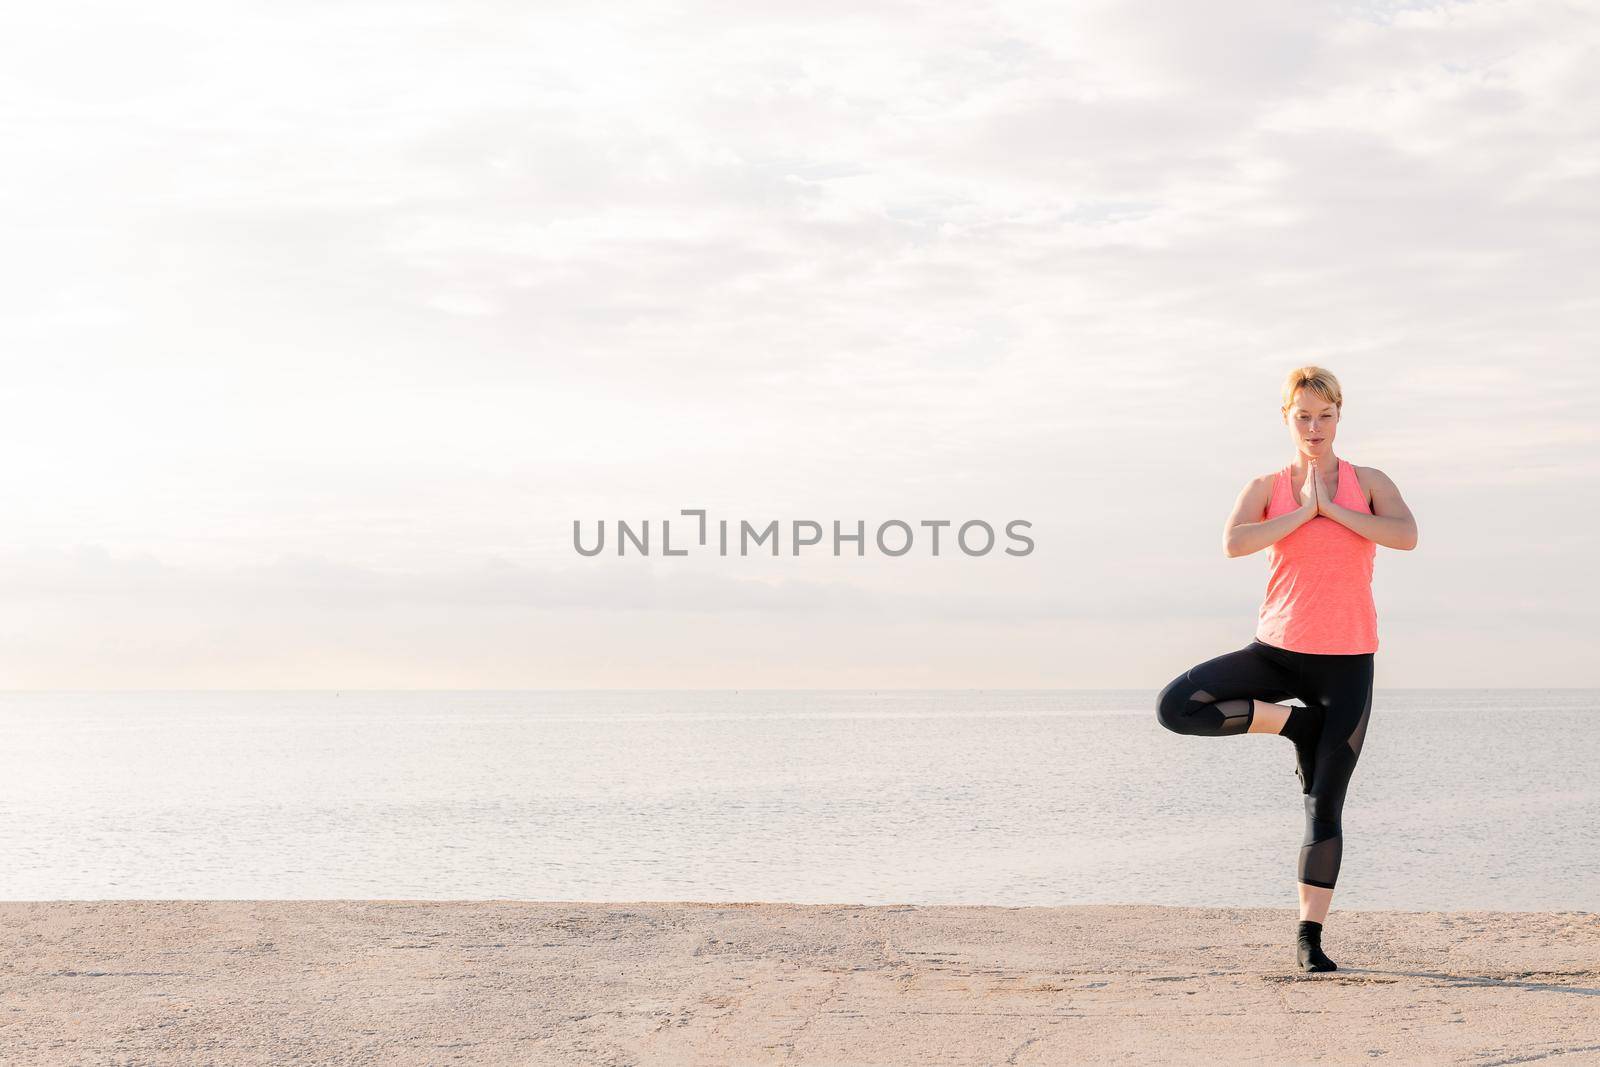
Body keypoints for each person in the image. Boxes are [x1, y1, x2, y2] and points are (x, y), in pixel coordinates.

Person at [1155, 366, 1418, 973]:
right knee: (1177, 707)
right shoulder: (1267, 485)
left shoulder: (1369, 482)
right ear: (1287, 418)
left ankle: (1309, 937)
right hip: (1275, 651)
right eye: (1303, 415)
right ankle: (1294, 726)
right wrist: (1302, 512)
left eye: (1324, 416)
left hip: (1348, 663)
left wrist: (1332, 509)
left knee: (1323, 806)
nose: (1314, 426)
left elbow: (1405, 535)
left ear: (1338, 417)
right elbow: (1234, 543)